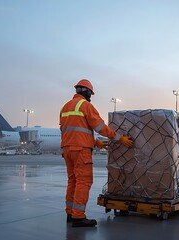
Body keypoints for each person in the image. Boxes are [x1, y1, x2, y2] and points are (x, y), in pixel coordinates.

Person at [59, 79, 133, 228]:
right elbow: (100, 127)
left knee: (72, 181)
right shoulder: (85, 106)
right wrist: (120, 138)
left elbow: (72, 131)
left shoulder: (65, 107)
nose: (90, 96)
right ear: (86, 92)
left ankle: (70, 213)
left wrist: (94, 142)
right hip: (80, 151)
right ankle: (78, 217)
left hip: (67, 149)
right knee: (83, 181)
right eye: (90, 93)